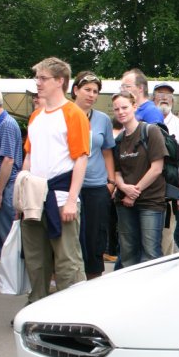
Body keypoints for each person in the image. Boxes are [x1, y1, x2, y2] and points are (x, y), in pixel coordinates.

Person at [19, 57, 89, 302]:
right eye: (37, 78)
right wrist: (22, 192)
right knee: (36, 260)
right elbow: (29, 155)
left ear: (60, 81)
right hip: (35, 198)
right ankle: (36, 307)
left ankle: (75, 312)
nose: (38, 83)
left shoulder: (73, 114)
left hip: (60, 197)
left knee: (67, 261)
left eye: (43, 78)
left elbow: (81, 158)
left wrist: (71, 200)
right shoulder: (36, 117)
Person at [112, 89, 166, 267]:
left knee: (150, 252)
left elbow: (157, 168)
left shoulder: (151, 131)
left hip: (150, 200)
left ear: (134, 106)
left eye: (124, 107)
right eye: (116, 109)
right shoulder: (119, 139)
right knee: (128, 253)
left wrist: (134, 192)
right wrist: (123, 188)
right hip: (125, 202)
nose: (121, 112)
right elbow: (116, 171)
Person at [71, 71, 116, 279]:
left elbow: (107, 151)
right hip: (70, 185)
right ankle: (68, 282)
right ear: (75, 90)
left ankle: (93, 283)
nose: (91, 95)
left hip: (97, 186)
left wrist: (111, 181)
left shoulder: (102, 120)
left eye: (95, 91)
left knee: (95, 237)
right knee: (71, 237)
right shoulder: (65, 115)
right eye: (87, 90)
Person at [152, 83, 179, 255]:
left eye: (168, 95)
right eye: (160, 94)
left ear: (173, 101)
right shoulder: (144, 120)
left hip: (169, 191)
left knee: (166, 239)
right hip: (144, 191)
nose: (164, 98)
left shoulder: (178, 125)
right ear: (153, 98)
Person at [0, 90, 23, 282]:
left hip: (5, 186)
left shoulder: (7, 124)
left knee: (7, 234)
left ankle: (13, 277)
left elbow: (8, 160)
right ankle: (3, 275)